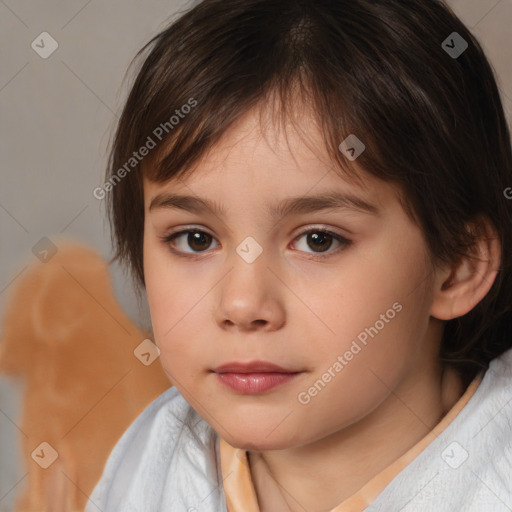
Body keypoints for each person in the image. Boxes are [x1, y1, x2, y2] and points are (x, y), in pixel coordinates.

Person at [85, 0, 512, 510]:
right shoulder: (150, 455)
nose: (242, 305)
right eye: (195, 239)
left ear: (458, 266)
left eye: (318, 240)